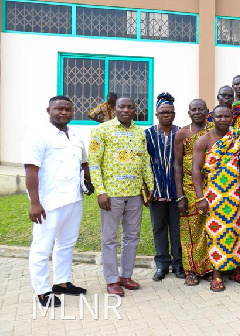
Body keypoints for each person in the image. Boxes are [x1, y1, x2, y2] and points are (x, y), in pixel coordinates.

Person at [23, 96, 93, 307]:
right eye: (59, 109)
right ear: (49, 110)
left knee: (67, 243)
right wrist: (35, 203)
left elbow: (83, 162)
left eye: (68, 109)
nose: (64, 113)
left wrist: (88, 182)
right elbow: (30, 170)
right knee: (42, 247)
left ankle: (61, 283)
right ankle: (42, 291)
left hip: (73, 199)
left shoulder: (75, 136)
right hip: (49, 203)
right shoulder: (37, 136)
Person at [88, 97, 154, 296]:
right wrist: (101, 191)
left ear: (135, 110)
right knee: (109, 238)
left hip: (134, 193)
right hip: (112, 195)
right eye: (121, 107)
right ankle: (111, 279)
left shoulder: (139, 132)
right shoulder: (101, 130)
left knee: (132, 236)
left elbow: (145, 162)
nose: (126, 110)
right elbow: (94, 163)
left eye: (130, 107)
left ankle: (126, 275)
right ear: (114, 109)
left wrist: (149, 186)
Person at [192, 105, 240, 292]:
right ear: (212, 118)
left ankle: (236, 270)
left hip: (237, 192)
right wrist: (200, 198)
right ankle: (217, 274)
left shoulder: (237, 136)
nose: (223, 119)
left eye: (227, 116)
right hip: (214, 195)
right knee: (217, 234)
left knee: (237, 230)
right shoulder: (204, 140)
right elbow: (196, 170)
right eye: (219, 116)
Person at [173, 99, 214, 286]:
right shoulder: (182, 133)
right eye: (193, 110)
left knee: (209, 228)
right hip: (189, 187)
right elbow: (178, 164)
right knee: (191, 229)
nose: (197, 112)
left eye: (200, 109)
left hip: (212, 185)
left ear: (207, 111)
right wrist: (180, 194)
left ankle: (208, 267)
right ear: (189, 113)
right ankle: (191, 270)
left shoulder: (214, 130)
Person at [145, 93, 183, 282]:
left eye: (169, 112)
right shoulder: (148, 134)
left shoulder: (181, 132)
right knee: (158, 228)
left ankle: (178, 264)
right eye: (162, 112)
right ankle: (162, 265)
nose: (166, 114)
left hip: (177, 191)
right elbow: (143, 163)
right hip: (156, 191)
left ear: (174, 114)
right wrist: (146, 188)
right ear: (156, 114)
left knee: (177, 229)